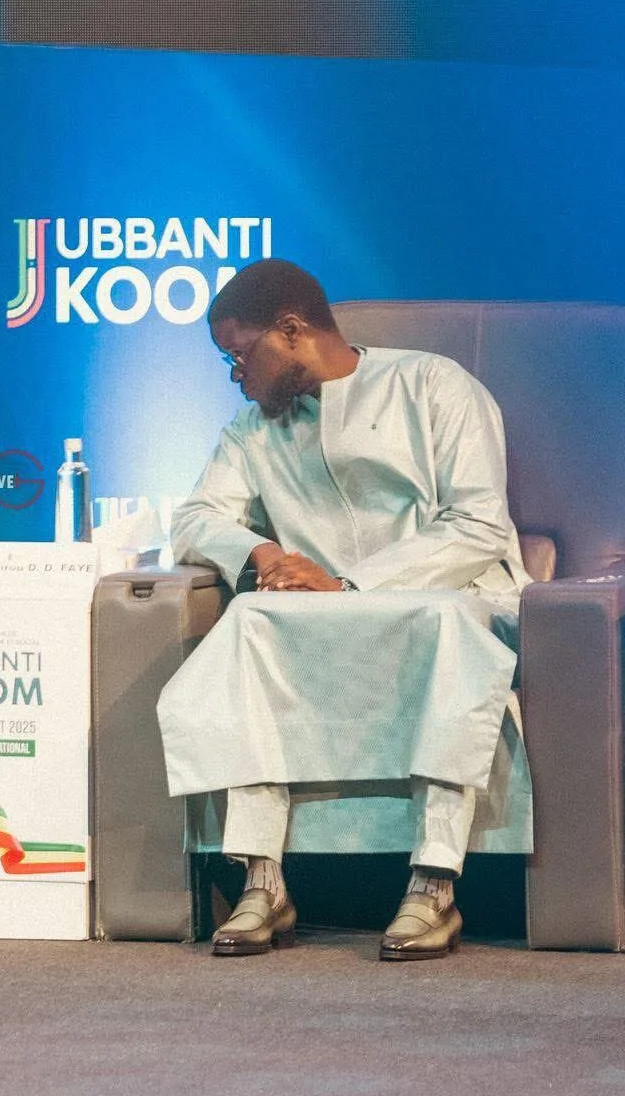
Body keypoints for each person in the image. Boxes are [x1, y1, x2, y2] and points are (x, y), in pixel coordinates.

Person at [156, 259, 530, 961]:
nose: (236, 375)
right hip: (320, 619)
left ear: (291, 330)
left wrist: (353, 586)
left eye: (240, 355)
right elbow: (195, 518)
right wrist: (263, 554)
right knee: (245, 624)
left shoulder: (433, 384)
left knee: (447, 626)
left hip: (445, 596)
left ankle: (433, 884)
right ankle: (261, 880)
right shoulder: (252, 430)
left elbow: (479, 525)